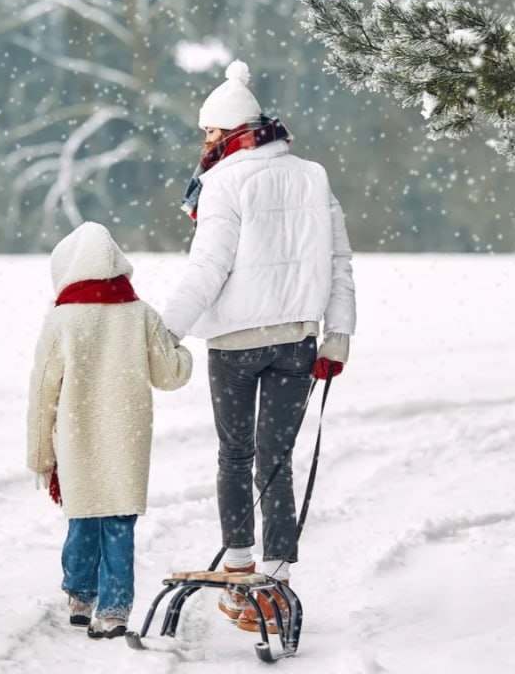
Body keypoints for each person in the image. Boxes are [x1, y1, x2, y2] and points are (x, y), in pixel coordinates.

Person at [161, 60, 357, 633]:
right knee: (276, 462)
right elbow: (339, 262)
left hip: (236, 344)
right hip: (298, 340)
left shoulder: (223, 181)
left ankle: (242, 575)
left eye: (208, 133)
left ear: (227, 132)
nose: (204, 142)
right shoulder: (313, 175)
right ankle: (277, 582)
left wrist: (164, 329)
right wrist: (337, 335)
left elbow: (209, 265)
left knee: (234, 456)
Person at [26, 222, 193, 639]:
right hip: (127, 436)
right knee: (119, 521)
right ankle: (114, 610)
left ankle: (81, 595)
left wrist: (39, 455)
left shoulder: (62, 319)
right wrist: (183, 353)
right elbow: (170, 375)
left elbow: (42, 390)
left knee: (82, 516)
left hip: (77, 437)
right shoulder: (141, 314)